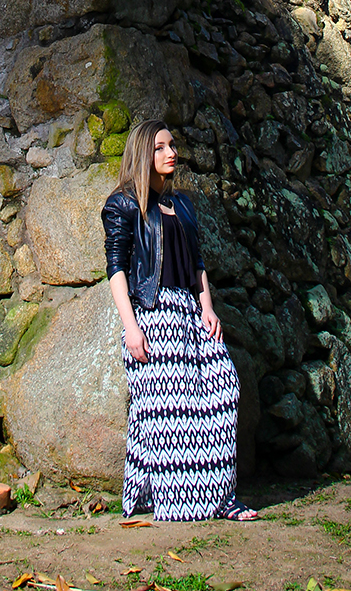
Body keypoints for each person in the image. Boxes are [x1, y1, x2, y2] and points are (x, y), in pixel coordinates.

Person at [101, 119, 258, 522]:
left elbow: (197, 263)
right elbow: (116, 268)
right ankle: (177, 502)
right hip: (153, 317)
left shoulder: (183, 204)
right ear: (142, 154)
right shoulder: (122, 204)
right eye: (160, 147)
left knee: (223, 393)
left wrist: (207, 307)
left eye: (172, 146)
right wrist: (131, 326)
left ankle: (221, 496)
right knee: (169, 415)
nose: (172, 153)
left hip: (190, 312)